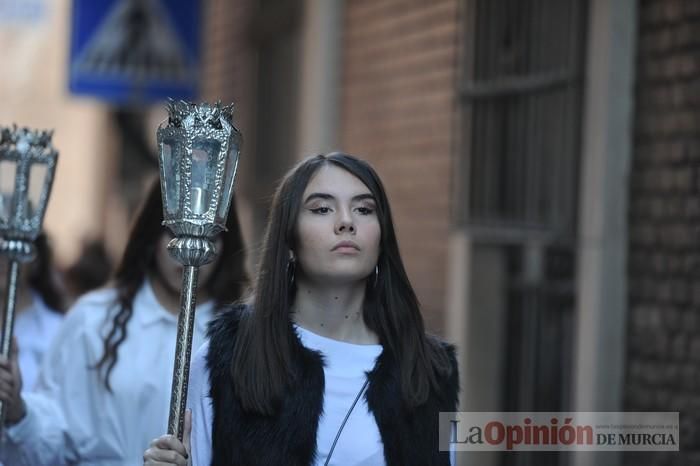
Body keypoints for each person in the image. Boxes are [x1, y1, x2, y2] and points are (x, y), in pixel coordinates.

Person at [143, 153, 459, 466]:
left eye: (364, 209)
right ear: (289, 239)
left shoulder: (430, 371)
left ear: (381, 236)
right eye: (322, 209)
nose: (347, 221)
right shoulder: (230, 355)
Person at [0, 179, 248, 465]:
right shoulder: (94, 320)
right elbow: (55, 437)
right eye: (173, 231)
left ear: (225, 244)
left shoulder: (242, 335)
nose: (188, 246)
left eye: (208, 234)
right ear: (152, 234)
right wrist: (18, 409)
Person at [2, 233, 67, 393]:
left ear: (35, 259)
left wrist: (19, 409)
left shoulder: (59, 332)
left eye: (13, 245)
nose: (4, 258)